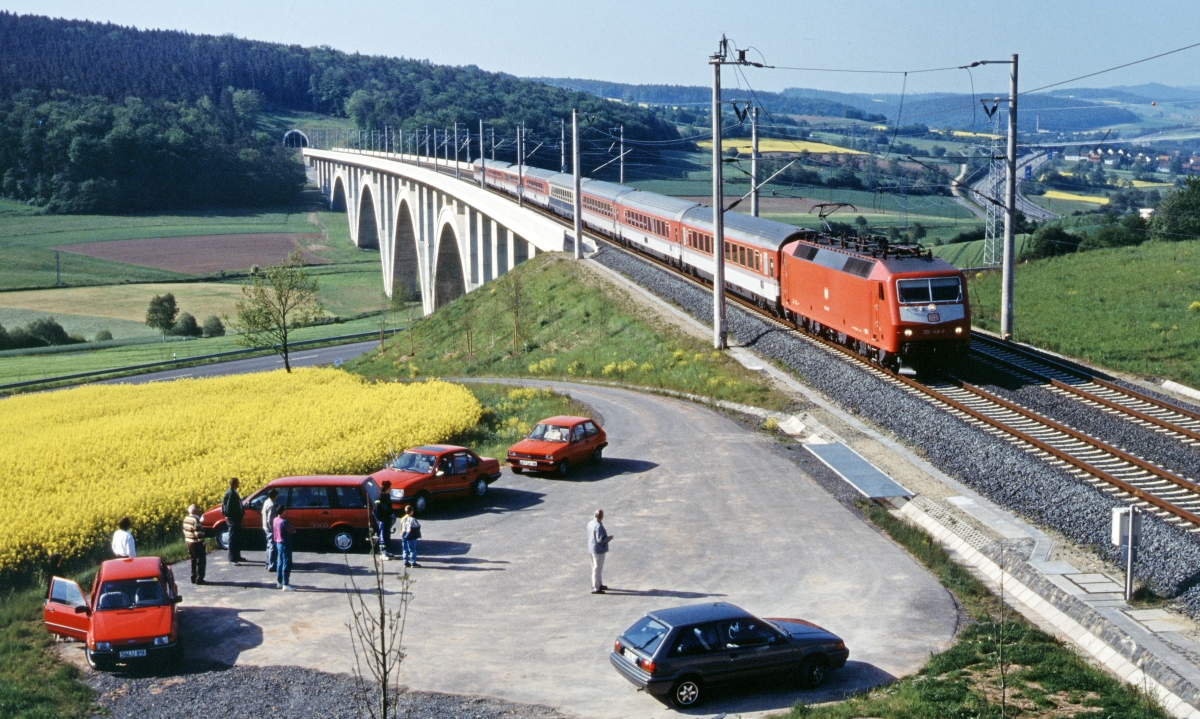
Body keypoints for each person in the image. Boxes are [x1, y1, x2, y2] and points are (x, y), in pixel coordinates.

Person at [587, 509, 613, 594]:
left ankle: (599, 584)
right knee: (597, 568)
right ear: (601, 517)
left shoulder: (590, 523)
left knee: (596, 568)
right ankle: (596, 587)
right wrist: (608, 538)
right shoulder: (598, 526)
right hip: (598, 550)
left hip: (591, 548)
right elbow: (600, 539)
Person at [222, 477, 247, 564]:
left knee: (236, 538)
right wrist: (234, 516)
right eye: (238, 482)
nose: (239, 483)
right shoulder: (231, 493)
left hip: (236, 519)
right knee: (232, 538)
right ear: (234, 484)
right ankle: (232, 559)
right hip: (233, 519)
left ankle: (237, 556)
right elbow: (228, 509)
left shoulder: (233, 492)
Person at [273, 505, 297, 591]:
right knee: (287, 562)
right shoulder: (284, 522)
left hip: (278, 542)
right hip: (285, 543)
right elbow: (292, 530)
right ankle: (286, 583)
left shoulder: (275, 520)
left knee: (280, 562)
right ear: (282, 511)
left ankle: (279, 582)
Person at [182, 504, 206, 584]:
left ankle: (193, 577)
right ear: (196, 511)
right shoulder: (195, 520)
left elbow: (184, 530)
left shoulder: (186, 518)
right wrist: (202, 542)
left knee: (193, 560)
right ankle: (199, 579)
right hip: (195, 543)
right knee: (200, 561)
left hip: (188, 541)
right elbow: (198, 533)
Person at [372, 481, 395, 560]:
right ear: (387, 488)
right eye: (390, 488)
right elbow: (376, 509)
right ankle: (382, 553)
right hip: (382, 520)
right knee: (382, 536)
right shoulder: (379, 497)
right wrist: (380, 520)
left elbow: (389, 506)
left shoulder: (387, 495)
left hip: (387, 519)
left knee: (387, 536)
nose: (391, 489)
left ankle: (386, 551)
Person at [262, 489, 280, 572]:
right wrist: (273, 529)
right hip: (270, 528)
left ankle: (268, 563)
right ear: (274, 496)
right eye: (277, 495)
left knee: (269, 546)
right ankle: (272, 565)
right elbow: (270, 519)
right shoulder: (272, 505)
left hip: (265, 527)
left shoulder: (266, 502)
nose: (277, 496)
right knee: (272, 546)